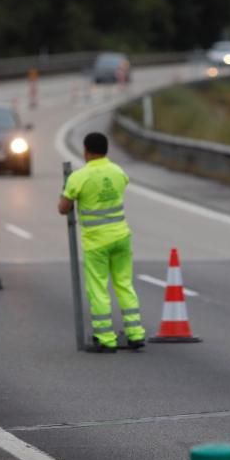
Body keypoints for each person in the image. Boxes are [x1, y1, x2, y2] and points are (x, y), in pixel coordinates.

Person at [58, 132, 145, 352]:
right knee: (124, 284)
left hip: (96, 243)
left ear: (86, 151)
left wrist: (69, 193)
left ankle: (106, 338)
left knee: (98, 289)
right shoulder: (118, 172)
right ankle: (135, 333)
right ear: (106, 150)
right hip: (122, 237)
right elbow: (121, 186)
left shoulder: (79, 177)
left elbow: (63, 208)